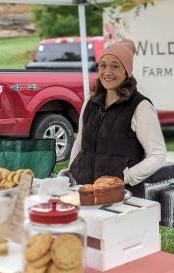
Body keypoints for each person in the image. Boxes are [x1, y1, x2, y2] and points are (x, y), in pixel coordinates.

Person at [69, 39, 166, 197]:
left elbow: (158, 155)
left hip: (121, 196)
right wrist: (72, 171)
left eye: (115, 66)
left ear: (126, 71)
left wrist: (124, 177)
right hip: (85, 191)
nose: (107, 72)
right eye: (103, 65)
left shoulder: (140, 106)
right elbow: (80, 142)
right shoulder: (89, 102)